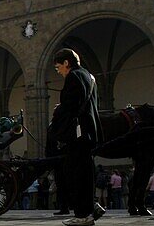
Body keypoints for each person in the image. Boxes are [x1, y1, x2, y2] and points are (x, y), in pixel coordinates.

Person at [49, 49, 101, 226]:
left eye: (58, 67)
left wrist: (59, 109)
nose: (58, 71)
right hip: (88, 131)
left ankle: (82, 214)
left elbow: (73, 104)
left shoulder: (73, 76)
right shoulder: (88, 75)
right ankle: (90, 209)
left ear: (66, 63)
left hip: (77, 134)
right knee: (85, 173)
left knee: (75, 174)